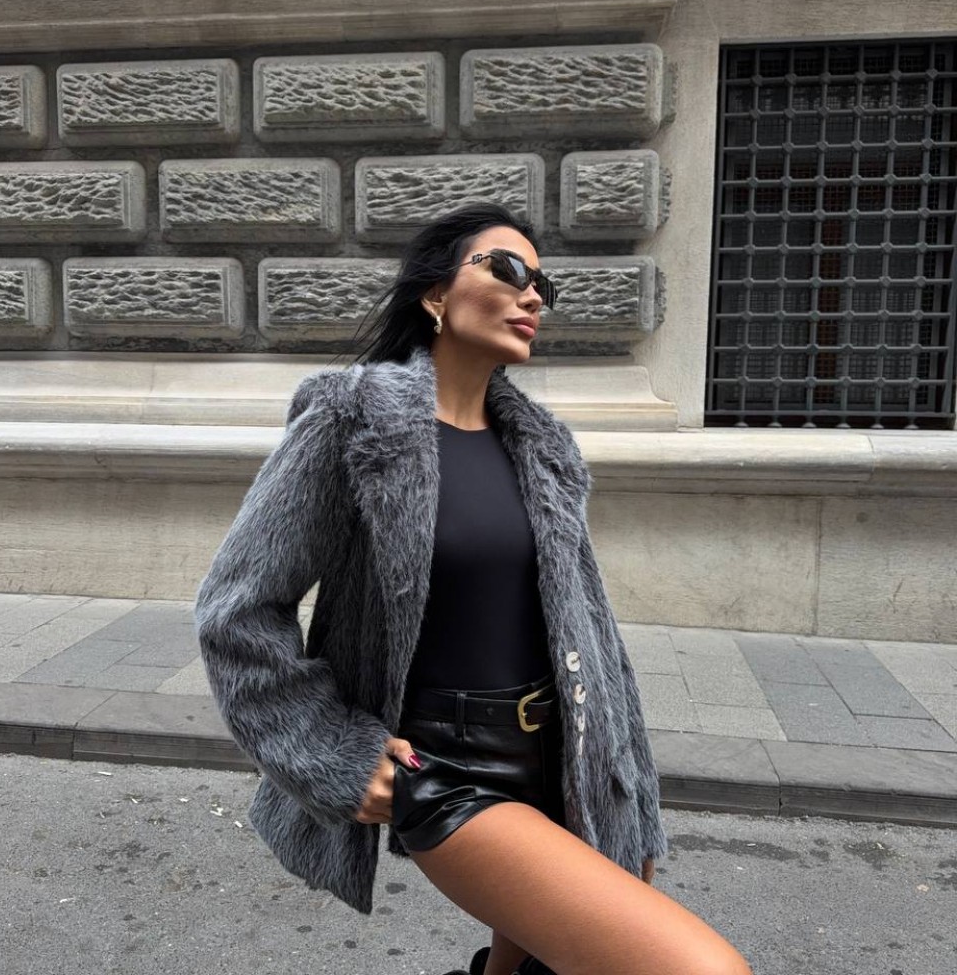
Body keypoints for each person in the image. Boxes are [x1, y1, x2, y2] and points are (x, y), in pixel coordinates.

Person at [195, 203, 752, 975]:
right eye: (509, 269)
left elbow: (591, 634)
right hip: (447, 768)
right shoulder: (354, 420)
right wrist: (329, 749)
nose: (533, 296)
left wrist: (631, 794)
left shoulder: (542, 448)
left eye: (543, 285)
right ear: (436, 295)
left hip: (562, 757)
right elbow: (237, 608)